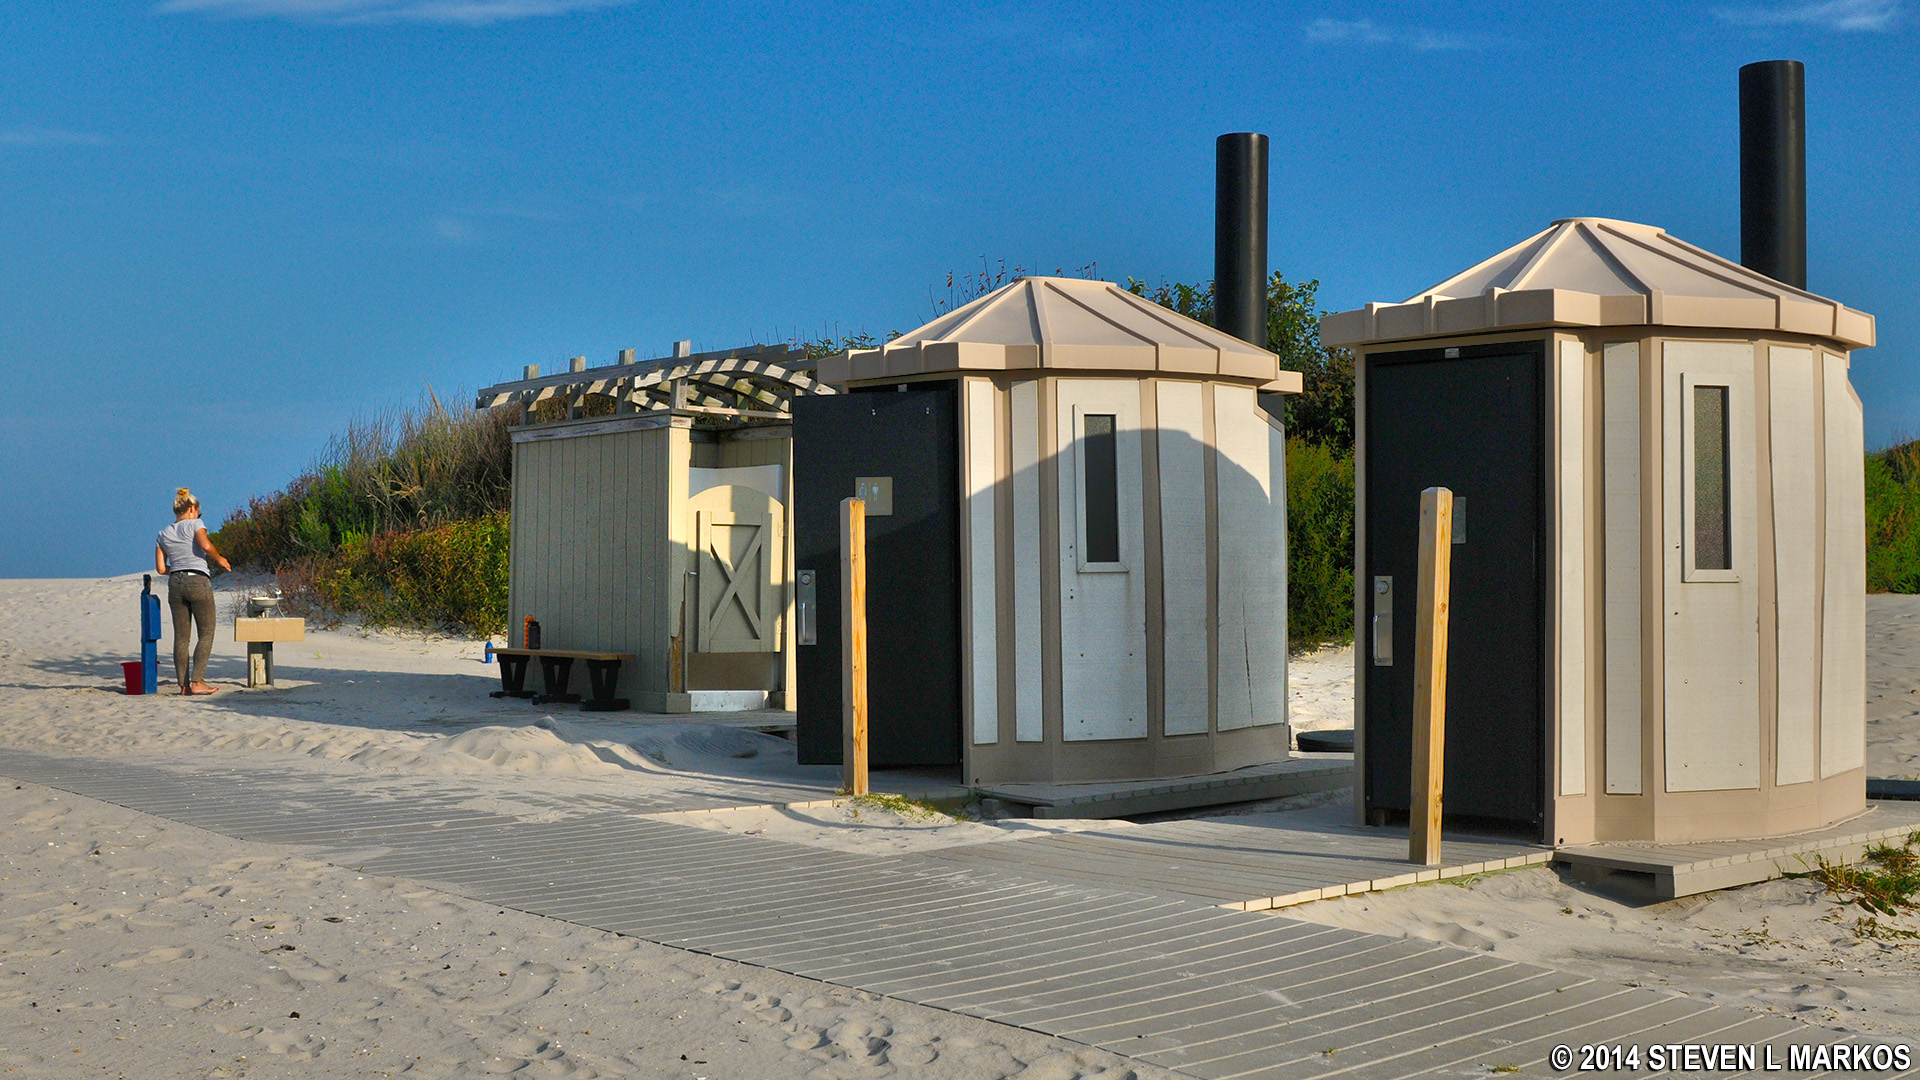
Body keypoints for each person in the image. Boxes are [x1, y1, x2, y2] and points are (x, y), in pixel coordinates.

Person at [154, 488, 232, 695]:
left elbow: (161, 569)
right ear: (192, 508)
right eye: (198, 511)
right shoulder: (196, 524)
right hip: (197, 580)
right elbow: (205, 545)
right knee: (206, 632)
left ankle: (183, 686)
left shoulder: (163, 534)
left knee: (181, 638)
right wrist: (220, 559)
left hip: (175, 583)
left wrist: (178, 567)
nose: (199, 515)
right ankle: (198, 681)